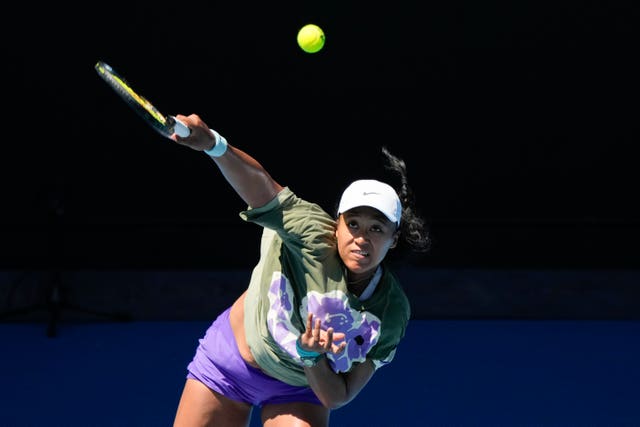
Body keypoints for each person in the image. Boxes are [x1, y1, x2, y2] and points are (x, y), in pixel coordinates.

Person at [170, 113, 430, 427]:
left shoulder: (391, 310)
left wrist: (312, 357)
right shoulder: (310, 234)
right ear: (336, 227)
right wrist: (214, 145)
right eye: (353, 224)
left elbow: (337, 396)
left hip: (297, 389)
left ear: (394, 239)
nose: (362, 238)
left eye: (376, 229)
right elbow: (262, 187)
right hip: (229, 364)